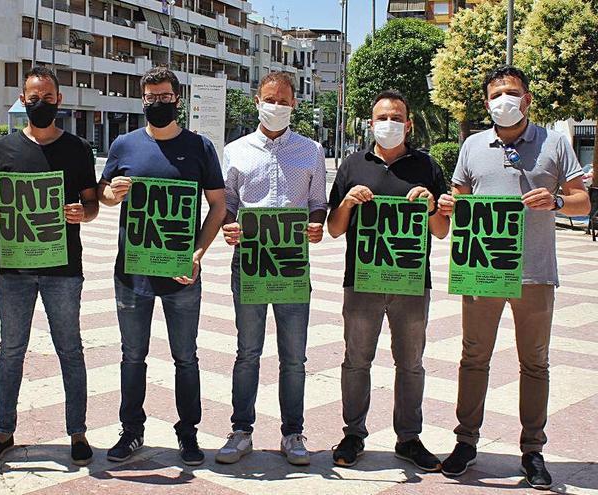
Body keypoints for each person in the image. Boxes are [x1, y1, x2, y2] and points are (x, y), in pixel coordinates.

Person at [437, 66, 589, 490]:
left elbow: (581, 204)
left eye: (512, 92)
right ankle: (466, 442)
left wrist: (557, 199)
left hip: (535, 274)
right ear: (486, 103)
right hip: (482, 272)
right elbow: (460, 199)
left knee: (534, 363)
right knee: (473, 358)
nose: (504, 99)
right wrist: (450, 204)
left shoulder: (555, 143)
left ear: (527, 99)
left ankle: (532, 450)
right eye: (496, 93)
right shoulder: (472, 145)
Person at [98, 66, 226, 466]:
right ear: (143, 100)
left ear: (178, 99)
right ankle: (131, 431)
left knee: (185, 356)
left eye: (165, 97)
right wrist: (111, 195)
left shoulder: (200, 147)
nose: (158, 103)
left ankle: (188, 434)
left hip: (180, 272)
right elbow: (102, 195)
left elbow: (218, 205)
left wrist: (199, 253)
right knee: (132, 355)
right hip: (132, 273)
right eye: (151, 98)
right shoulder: (123, 145)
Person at [0, 66, 99, 466]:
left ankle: (77, 432)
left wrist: (84, 212)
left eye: (47, 97)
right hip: (13, 268)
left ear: (59, 100)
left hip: (64, 268)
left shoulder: (78, 148)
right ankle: (3, 430)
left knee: (70, 350)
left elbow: (92, 202)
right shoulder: (3, 148)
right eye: (34, 97)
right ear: (22, 98)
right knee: (11, 350)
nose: (40, 104)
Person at [326, 90, 450, 472]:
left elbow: (442, 231)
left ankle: (409, 438)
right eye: (382, 118)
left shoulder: (427, 167)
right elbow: (333, 229)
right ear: (370, 123)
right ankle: (353, 433)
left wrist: (430, 207)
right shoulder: (351, 166)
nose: (389, 124)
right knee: (356, 361)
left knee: (411, 363)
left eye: (397, 117)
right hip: (361, 282)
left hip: (412, 283)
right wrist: (347, 202)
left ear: (409, 124)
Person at [216, 72, 327, 466]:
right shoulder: (236, 150)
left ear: (294, 104)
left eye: (283, 100)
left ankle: (293, 433)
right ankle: (241, 430)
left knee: (294, 356)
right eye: (269, 99)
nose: (275, 106)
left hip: (292, 265)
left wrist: (316, 224)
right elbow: (227, 200)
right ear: (256, 100)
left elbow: (318, 201)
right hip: (249, 261)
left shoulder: (311, 150)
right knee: (247, 351)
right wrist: (228, 224)